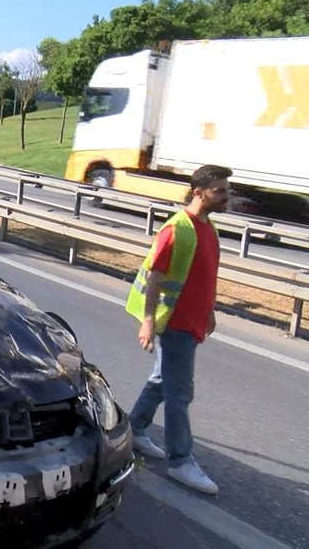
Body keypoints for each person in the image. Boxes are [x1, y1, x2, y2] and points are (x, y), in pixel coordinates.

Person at [125, 165, 232, 495]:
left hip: (194, 320)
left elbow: (203, 276)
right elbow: (156, 278)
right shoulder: (177, 229)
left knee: (161, 381)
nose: (227, 197)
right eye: (220, 191)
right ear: (199, 192)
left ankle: (135, 430)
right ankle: (181, 461)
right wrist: (147, 321)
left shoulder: (208, 229)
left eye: (227, 190)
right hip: (175, 323)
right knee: (179, 393)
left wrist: (209, 311)